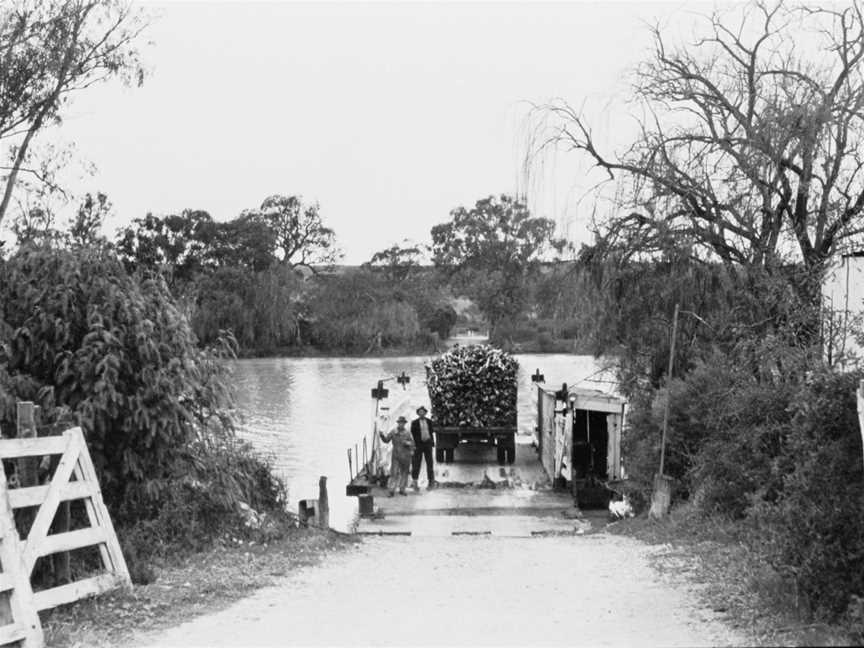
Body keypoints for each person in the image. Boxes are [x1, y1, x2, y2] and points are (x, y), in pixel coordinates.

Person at [379, 415, 415, 496]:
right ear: (398, 423)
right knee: (394, 473)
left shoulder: (408, 433)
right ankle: (391, 490)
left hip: (406, 456)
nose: (401, 424)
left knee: (404, 473)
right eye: (399, 423)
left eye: (402, 423)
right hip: (396, 456)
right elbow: (386, 440)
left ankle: (402, 489)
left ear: (404, 424)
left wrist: (408, 443)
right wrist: (381, 435)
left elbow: (413, 444)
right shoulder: (393, 431)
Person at [410, 405, 436, 491]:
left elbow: (431, 432)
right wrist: (415, 444)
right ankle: (415, 482)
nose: (421, 413)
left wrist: (432, 441)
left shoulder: (429, 421)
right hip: (419, 445)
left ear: (425, 413)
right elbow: (413, 434)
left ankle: (431, 482)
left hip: (427, 444)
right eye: (420, 412)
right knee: (416, 463)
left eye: (423, 412)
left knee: (430, 463)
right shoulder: (414, 422)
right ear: (418, 413)